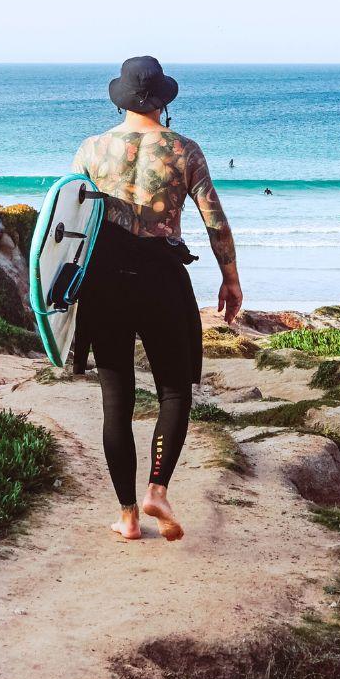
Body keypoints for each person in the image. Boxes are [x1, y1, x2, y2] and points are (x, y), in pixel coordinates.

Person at [72, 56, 242, 541]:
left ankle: (127, 516)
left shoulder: (91, 150)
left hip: (105, 281)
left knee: (116, 399)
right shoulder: (184, 150)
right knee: (172, 388)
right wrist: (229, 278)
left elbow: (69, 225)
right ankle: (157, 490)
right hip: (162, 278)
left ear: (122, 98)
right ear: (163, 100)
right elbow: (215, 221)